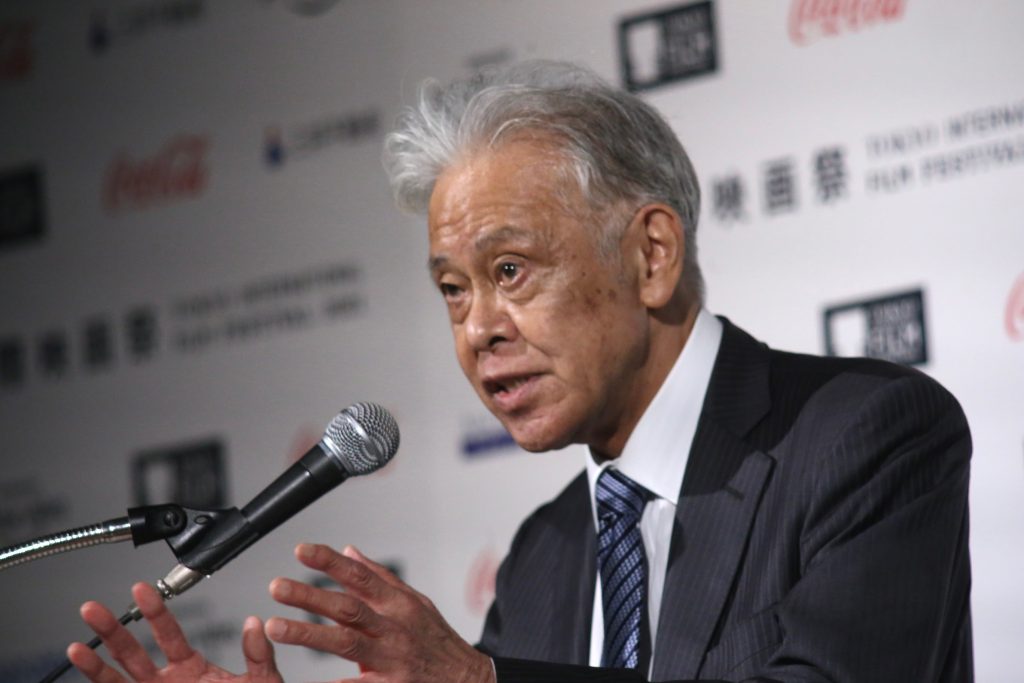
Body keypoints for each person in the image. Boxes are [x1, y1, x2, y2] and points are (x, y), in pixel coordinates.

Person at [67, 61, 972, 683]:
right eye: (453, 291)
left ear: (651, 254)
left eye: (510, 272)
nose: (478, 332)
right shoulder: (547, 553)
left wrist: (479, 677)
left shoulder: (868, 437)